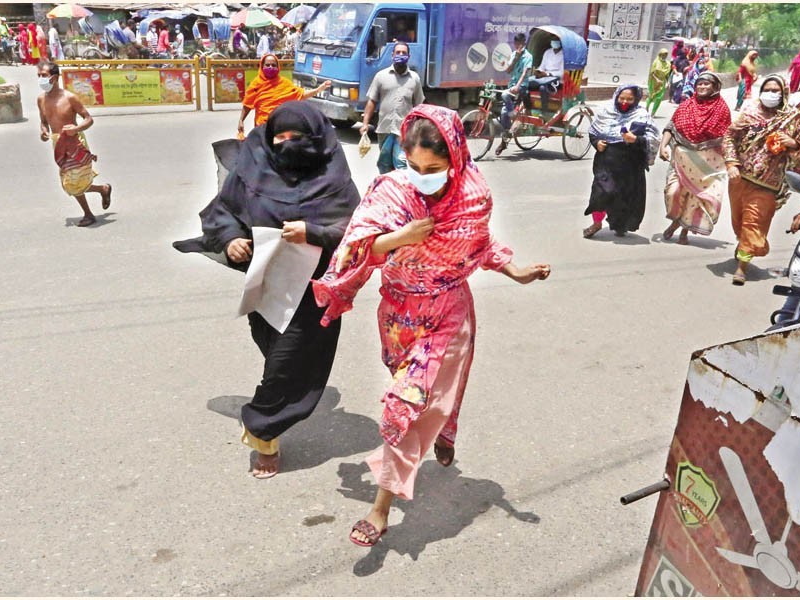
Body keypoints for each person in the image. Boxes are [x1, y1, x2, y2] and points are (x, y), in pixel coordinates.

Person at [312, 105, 551, 547]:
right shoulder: (391, 190)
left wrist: (515, 270)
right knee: (425, 402)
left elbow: (479, 242)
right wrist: (404, 236)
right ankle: (439, 434)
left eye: (434, 168)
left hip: (450, 313)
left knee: (405, 406)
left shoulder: (474, 195)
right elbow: (358, 246)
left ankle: (380, 509)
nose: (423, 175)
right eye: (414, 165)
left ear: (456, 159)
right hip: (399, 317)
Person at [174, 102, 361, 479]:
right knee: (275, 355)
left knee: (288, 363)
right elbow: (223, 212)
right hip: (267, 283)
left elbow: (357, 231)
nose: (288, 144)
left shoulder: (334, 178)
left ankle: (263, 431)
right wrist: (230, 241)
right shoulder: (253, 167)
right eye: (281, 138)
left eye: (298, 138)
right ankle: (276, 401)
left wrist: (314, 233)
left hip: (315, 291)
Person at [723, 74, 800, 285]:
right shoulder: (749, 112)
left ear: (784, 93)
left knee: (753, 223)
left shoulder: (793, 118)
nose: (771, 94)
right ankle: (744, 244)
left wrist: (793, 144)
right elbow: (730, 136)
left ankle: (742, 267)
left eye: (776, 91)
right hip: (740, 177)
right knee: (739, 222)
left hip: (768, 184)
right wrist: (731, 163)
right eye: (768, 89)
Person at [36, 62, 113, 228]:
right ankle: (102, 190)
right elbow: (43, 122)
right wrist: (43, 132)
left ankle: (88, 214)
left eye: (44, 75)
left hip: (74, 142)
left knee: (73, 181)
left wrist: (76, 128)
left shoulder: (69, 98)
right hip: (58, 144)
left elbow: (88, 119)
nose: (41, 79)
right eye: (39, 76)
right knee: (71, 181)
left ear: (54, 78)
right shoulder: (41, 99)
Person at [658, 72, 732, 244]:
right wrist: (662, 147)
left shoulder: (721, 109)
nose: (703, 87)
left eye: (707, 84)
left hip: (707, 161)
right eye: (700, 84)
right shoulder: (686, 105)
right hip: (681, 157)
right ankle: (676, 221)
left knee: (695, 196)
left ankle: (684, 229)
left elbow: (727, 137)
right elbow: (671, 127)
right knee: (673, 191)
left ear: (715, 87)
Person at [583, 84, 660, 238]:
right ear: (616, 97)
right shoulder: (607, 112)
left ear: (636, 99)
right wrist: (597, 143)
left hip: (631, 164)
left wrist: (635, 139)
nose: (624, 102)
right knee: (601, 192)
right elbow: (593, 132)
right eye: (622, 98)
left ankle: (620, 225)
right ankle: (597, 223)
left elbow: (652, 139)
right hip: (607, 161)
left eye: (629, 99)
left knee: (625, 197)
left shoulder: (642, 115)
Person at [359, 42, 425, 174]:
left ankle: (402, 190)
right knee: (384, 164)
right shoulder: (381, 76)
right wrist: (365, 123)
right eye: (398, 52)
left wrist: (419, 129)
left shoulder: (414, 79)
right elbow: (372, 101)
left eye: (404, 53)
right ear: (392, 55)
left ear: (409, 56)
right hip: (384, 128)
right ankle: (388, 189)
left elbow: (419, 105)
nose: (401, 55)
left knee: (401, 163)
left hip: (404, 130)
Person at [239, 54, 331, 136]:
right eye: (267, 65)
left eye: (273, 65)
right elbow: (247, 105)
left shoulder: (284, 83)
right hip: (262, 128)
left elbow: (301, 94)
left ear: (278, 67)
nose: (270, 67)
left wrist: (319, 89)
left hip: (280, 129)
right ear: (262, 66)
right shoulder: (256, 84)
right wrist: (241, 120)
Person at [494, 33, 533, 156]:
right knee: (503, 114)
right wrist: (515, 58)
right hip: (512, 85)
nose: (517, 46)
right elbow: (508, 70)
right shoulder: (514, 54)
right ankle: (505, 140)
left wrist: (518, 86)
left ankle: (512, 113)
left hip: (522, 86)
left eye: (519, 44)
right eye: (515, 44)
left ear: (523, 43)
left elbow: (525, 73)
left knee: (505, 96)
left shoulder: (528, 56)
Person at [528, 34, 564, 113]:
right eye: (553, 41)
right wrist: (538, 71)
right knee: (527, 84)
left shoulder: (563, 55)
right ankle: (528, 108)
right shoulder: (548, 52)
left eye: (556, 41)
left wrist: (547, 74)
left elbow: (562, 73)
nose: (554, 43)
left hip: (556, 81)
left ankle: (544, 111)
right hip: (544, 77)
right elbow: (542, 66)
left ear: (560, 42)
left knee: (542, 88)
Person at [646, 48, 672, 116]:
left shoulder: (668, 64)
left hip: (662, 82)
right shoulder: (656, 62)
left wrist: (668, 82)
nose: (664, 56)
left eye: (666, 55)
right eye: (663, 54)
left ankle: (653, 113)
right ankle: (646, 108)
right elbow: (652, 72)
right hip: (654, 82)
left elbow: (667, 75)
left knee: (659, 98)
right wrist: (657, 79)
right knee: (651, 96)